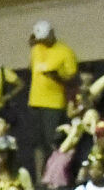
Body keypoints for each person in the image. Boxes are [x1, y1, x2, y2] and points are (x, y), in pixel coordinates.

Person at [27, 22, 79, 173]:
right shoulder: (36, 49)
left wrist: (56, 77)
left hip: (54, 104)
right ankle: (39, 179)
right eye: (40, 40)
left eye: (45, 39)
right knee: (37, 143)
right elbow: (32, 67)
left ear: (52, 33)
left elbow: (73, 79)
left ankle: (54, 174)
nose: (43, 43)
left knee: (52, 142)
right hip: (35, 101)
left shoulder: (65, 51)